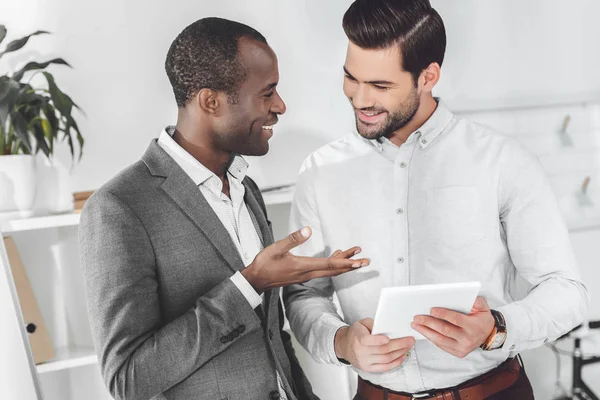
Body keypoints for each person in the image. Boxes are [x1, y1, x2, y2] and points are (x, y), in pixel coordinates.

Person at [283, 1, 589, 399]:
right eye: (350, 78)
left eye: (380, 86)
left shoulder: (502, 161)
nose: (359, 99)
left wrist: (497, 327)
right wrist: (341, 341)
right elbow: (305, 293)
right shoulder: (319, 171)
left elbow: (566, 290)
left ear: (428, 77)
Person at [79, 17, 369, 400]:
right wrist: (249, 284)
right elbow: (129, 378)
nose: (280, 106)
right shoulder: (119, 208)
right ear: (210, 101)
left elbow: (271, 334)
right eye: (267, 93)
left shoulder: (246, 189)